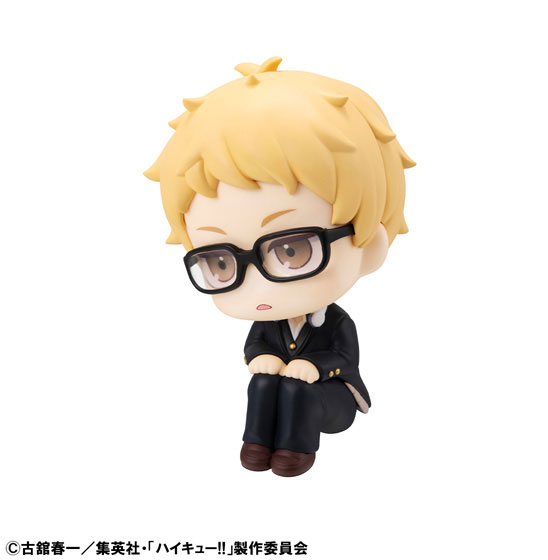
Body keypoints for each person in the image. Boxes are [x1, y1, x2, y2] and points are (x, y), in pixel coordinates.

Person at [145, 57, 414, 476]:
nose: (258, 287)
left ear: (370, 245)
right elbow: (255, 347)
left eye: (291, 251)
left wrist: (315, 367)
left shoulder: (336, 322)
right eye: (220, 261)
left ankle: (295, 452)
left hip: (331, 397)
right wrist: (260, 358)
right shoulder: (267, 322)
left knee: (297, 392)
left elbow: (344, 358)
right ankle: (257, 444)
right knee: (263, 382)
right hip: (280, 393)